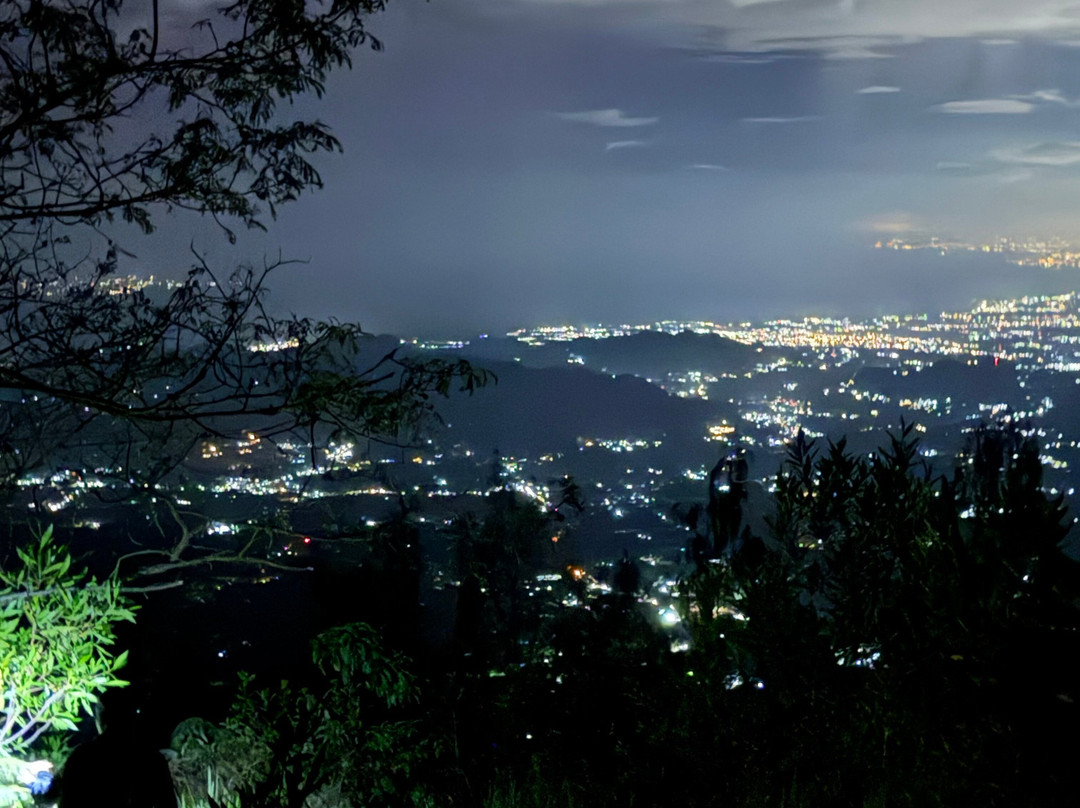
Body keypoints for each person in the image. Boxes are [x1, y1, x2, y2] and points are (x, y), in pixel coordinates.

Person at [54, 690, 176, 808]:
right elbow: (168, 803)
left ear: (100, 719)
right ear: (132, 718)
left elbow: (67, 802)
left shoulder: (82, 757)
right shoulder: (151, 759)